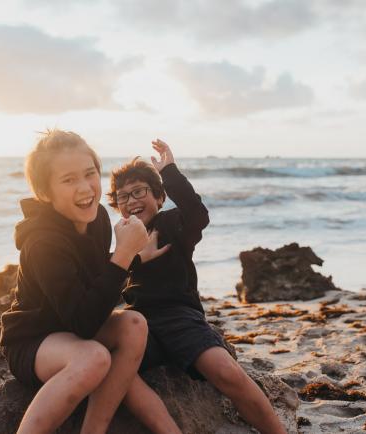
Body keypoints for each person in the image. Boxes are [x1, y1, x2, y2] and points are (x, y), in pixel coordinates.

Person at [0, 130, 181, 434]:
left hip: (74, 329)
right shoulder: (43, 243)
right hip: (34, 342)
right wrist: (123, 254)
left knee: (134, 324)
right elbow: (83, 322)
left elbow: (97, 279)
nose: (85, 188)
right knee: (95, 358)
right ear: (46, 191)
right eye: (68, 180)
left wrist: (133, 258)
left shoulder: (95, 218)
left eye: (90, 174)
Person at [107, 139, 287, 434]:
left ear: (160, 197)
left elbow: (197, 213)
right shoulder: (123, 235)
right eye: (122, 197)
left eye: (138, 192)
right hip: (138, 322)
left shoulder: (172, 222)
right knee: (112, 368)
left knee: (226, 372)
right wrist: (131, 257)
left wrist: (170, 172)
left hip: (180, 317)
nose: (130, 201)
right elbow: (108, 275)